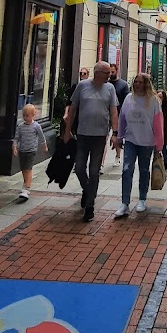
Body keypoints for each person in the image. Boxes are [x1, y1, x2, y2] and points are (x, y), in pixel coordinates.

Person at [63, 62, 118, 222]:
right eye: (107, 73)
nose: (110, 75)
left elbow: (114, 112)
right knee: (79, 167)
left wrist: (115, 133)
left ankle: (90, 206)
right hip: (82, 134)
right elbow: (73, 109)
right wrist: (67, 131)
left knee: (94, 171)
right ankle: (88, 191)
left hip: (100, 135)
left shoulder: (110, 89)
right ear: (97, 72)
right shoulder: (82, 86)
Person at [114, 74, 164, 217]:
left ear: (146, 84)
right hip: (130, 139)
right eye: (135, 82)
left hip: (147, 141)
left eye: (140, 82)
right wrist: (119, 136)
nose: (137, 85)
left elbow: (158, 124)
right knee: (126, 169)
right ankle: (125, 203)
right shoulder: (129, 98)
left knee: (144, 170)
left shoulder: (153, 101)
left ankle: (142, 199)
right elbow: (122, 118)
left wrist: (158, 145)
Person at [13, 104, 48, 201]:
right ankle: (25, 184)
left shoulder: (36, 126)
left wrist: (44, 146)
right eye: (24, 115)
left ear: (33, 115)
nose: (25, 117)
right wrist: (14, 147)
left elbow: (41, 137)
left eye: (28, 115)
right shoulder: (20, 126)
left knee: (28, 169)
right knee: (24, 168)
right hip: (22, 150)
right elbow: (16, 138)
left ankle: (26, 189)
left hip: (31, 150)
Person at [63, 66, 89, 134]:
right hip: (76, 114)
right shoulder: (75, 87)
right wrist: (66, 113)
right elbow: (69, 102)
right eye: (81, 73)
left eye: (84, 73)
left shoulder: (90, 88)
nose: (82, 75)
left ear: (88, 75)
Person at [158, 89, 167, 170]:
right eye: (158, 97)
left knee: (163, 147)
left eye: (161, 97)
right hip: (155, 130)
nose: (159, 99)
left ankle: (165, 163)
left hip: (164, 130)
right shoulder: (153, 106)